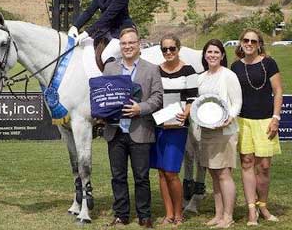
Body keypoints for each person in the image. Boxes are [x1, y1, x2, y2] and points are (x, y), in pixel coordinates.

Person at [102, 27, 163, 228]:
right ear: (120, 47)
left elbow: (157, 98)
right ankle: (121, 214)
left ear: (139, 45)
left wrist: (141, 108)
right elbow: (102, 96)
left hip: (140, 130)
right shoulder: (110, 69)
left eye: (131, 43)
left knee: (141, 177)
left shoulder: (151, 68)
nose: (128, 46)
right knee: (118, 176)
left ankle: (144, 216)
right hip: (115, 131)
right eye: (124, 43)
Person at [231, 29, 283, 225]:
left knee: (264, 167)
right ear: (241, 42)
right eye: (246, 39)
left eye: (253, 40)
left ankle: (263, 205)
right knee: (246, 163)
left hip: (265, 121)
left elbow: (278, 92)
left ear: (259, 43)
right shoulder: (235, 66)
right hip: (243, 121)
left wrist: (276, 117)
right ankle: (251, 210)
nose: (249, 43)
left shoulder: (269, 63)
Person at [150, 34, 198, 226]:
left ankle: (179, 213)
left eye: (172, 48)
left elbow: (193, 99)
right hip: (158, 125)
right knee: (161, 171)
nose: (168, 52)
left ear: (179, 49)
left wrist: (186, 113)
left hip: (177, 126)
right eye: (164, 49)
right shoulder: (156, 71)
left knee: (171, 171)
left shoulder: (189, 70)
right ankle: (168, 213)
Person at [197, 39, 242, 229]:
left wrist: (229, 118)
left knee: (224, 173)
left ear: (222, 55)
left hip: (225, 131)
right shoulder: (201, 77)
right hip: (206, 132)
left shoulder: (229, 75)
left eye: (216, 52)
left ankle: (228, 216)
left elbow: (237, 102)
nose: (212, 55)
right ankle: (218, 214)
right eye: (209, 52)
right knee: (214, 173)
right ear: (205, 55)